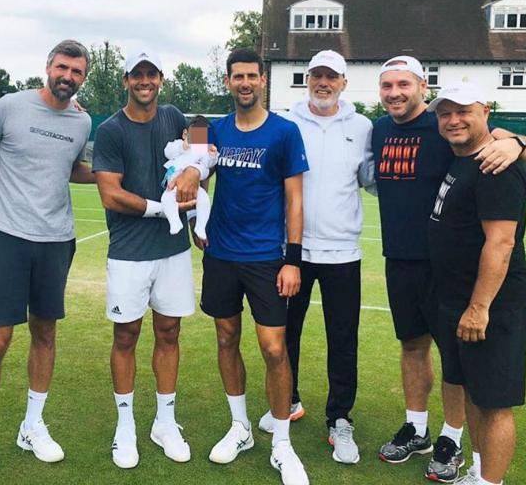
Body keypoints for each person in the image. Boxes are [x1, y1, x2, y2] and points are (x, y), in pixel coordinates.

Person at [373, 56, 526, 482]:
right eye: (387, 85)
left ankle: (452, 437)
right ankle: (419, 428)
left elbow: (518, 146)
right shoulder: (378, 129)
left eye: (403, 84)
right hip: (404, 260)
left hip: (460, 278)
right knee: (416, 347)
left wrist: (517, 142)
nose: (395, 93)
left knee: (467, 372)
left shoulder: (460, 136)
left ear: (420, 86)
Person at [0, 40, 94, 483]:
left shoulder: (82, 121)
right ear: (48, 67)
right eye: (62, 67)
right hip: (4, 237)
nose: (68, 77)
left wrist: (121, 173)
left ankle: (31, 425)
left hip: (56, 241)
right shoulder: (9, 106)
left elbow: (73, 167)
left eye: (76, 72)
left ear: (83, 78)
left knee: (45, 333)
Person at [196, 48, 310, 485]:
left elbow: (296, 199)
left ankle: (281, 442)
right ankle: (240, 426)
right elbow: (196, 178)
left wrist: (292, 260)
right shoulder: (214, 131)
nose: (245, 83)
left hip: (267, 258)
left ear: (263, 81)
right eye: (237, 76)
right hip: (221, 255)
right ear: (227, 82)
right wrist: (196, 223)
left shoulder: (284, 132)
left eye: (252, 76)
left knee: (274, 349)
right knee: (226, 338)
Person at [256, 50, 372, 465]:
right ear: (307, 80)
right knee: (286, 335)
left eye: (331, 77)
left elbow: (373, 179)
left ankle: (339, 419)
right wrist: (191, 149)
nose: (323, 83)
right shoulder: (285, 122)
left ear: (344, 82)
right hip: (292, 252)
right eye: (316, 75)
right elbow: (218, 137)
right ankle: (288, 402)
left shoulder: (362, 127)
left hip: (343, 253)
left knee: (342, 339)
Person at [93, 50, 205, 469]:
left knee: (170, 333)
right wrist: (165, 208)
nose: (144, 81)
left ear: (161, 79)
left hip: (173, 251)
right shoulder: (110, 130)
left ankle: (165, 421)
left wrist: (195, 171)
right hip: (129, 253)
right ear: (126, 81)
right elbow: (110, 194)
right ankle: (125, 426)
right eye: (136, 75)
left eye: (151, 74)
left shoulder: (175, 115)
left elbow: (203, 153)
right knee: (126, 336)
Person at [427, 82, 526, 485]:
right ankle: (479, 470)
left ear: (485, 111)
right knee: (472, 392)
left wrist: (479, 306)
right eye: (445, 112)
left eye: (463, 111)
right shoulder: (464, 157)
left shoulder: (496, 166)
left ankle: (491, 481)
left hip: (493, 307)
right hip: (456, 300)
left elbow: (501, 242)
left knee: (494, 403)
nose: (453, 120)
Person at [161, 115, 218, 239]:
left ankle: (200, 227)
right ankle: (174, 221)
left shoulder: (202, 150)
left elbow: (207, 164)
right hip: (173, 183)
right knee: (166, 199)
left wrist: (213, 155)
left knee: (204, 200)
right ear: (185, 134)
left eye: (201, 137)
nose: (197, 140)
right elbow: (167, 151)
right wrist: (182, 146)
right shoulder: (178, 145)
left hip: (195, 186)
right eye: (194, 135)